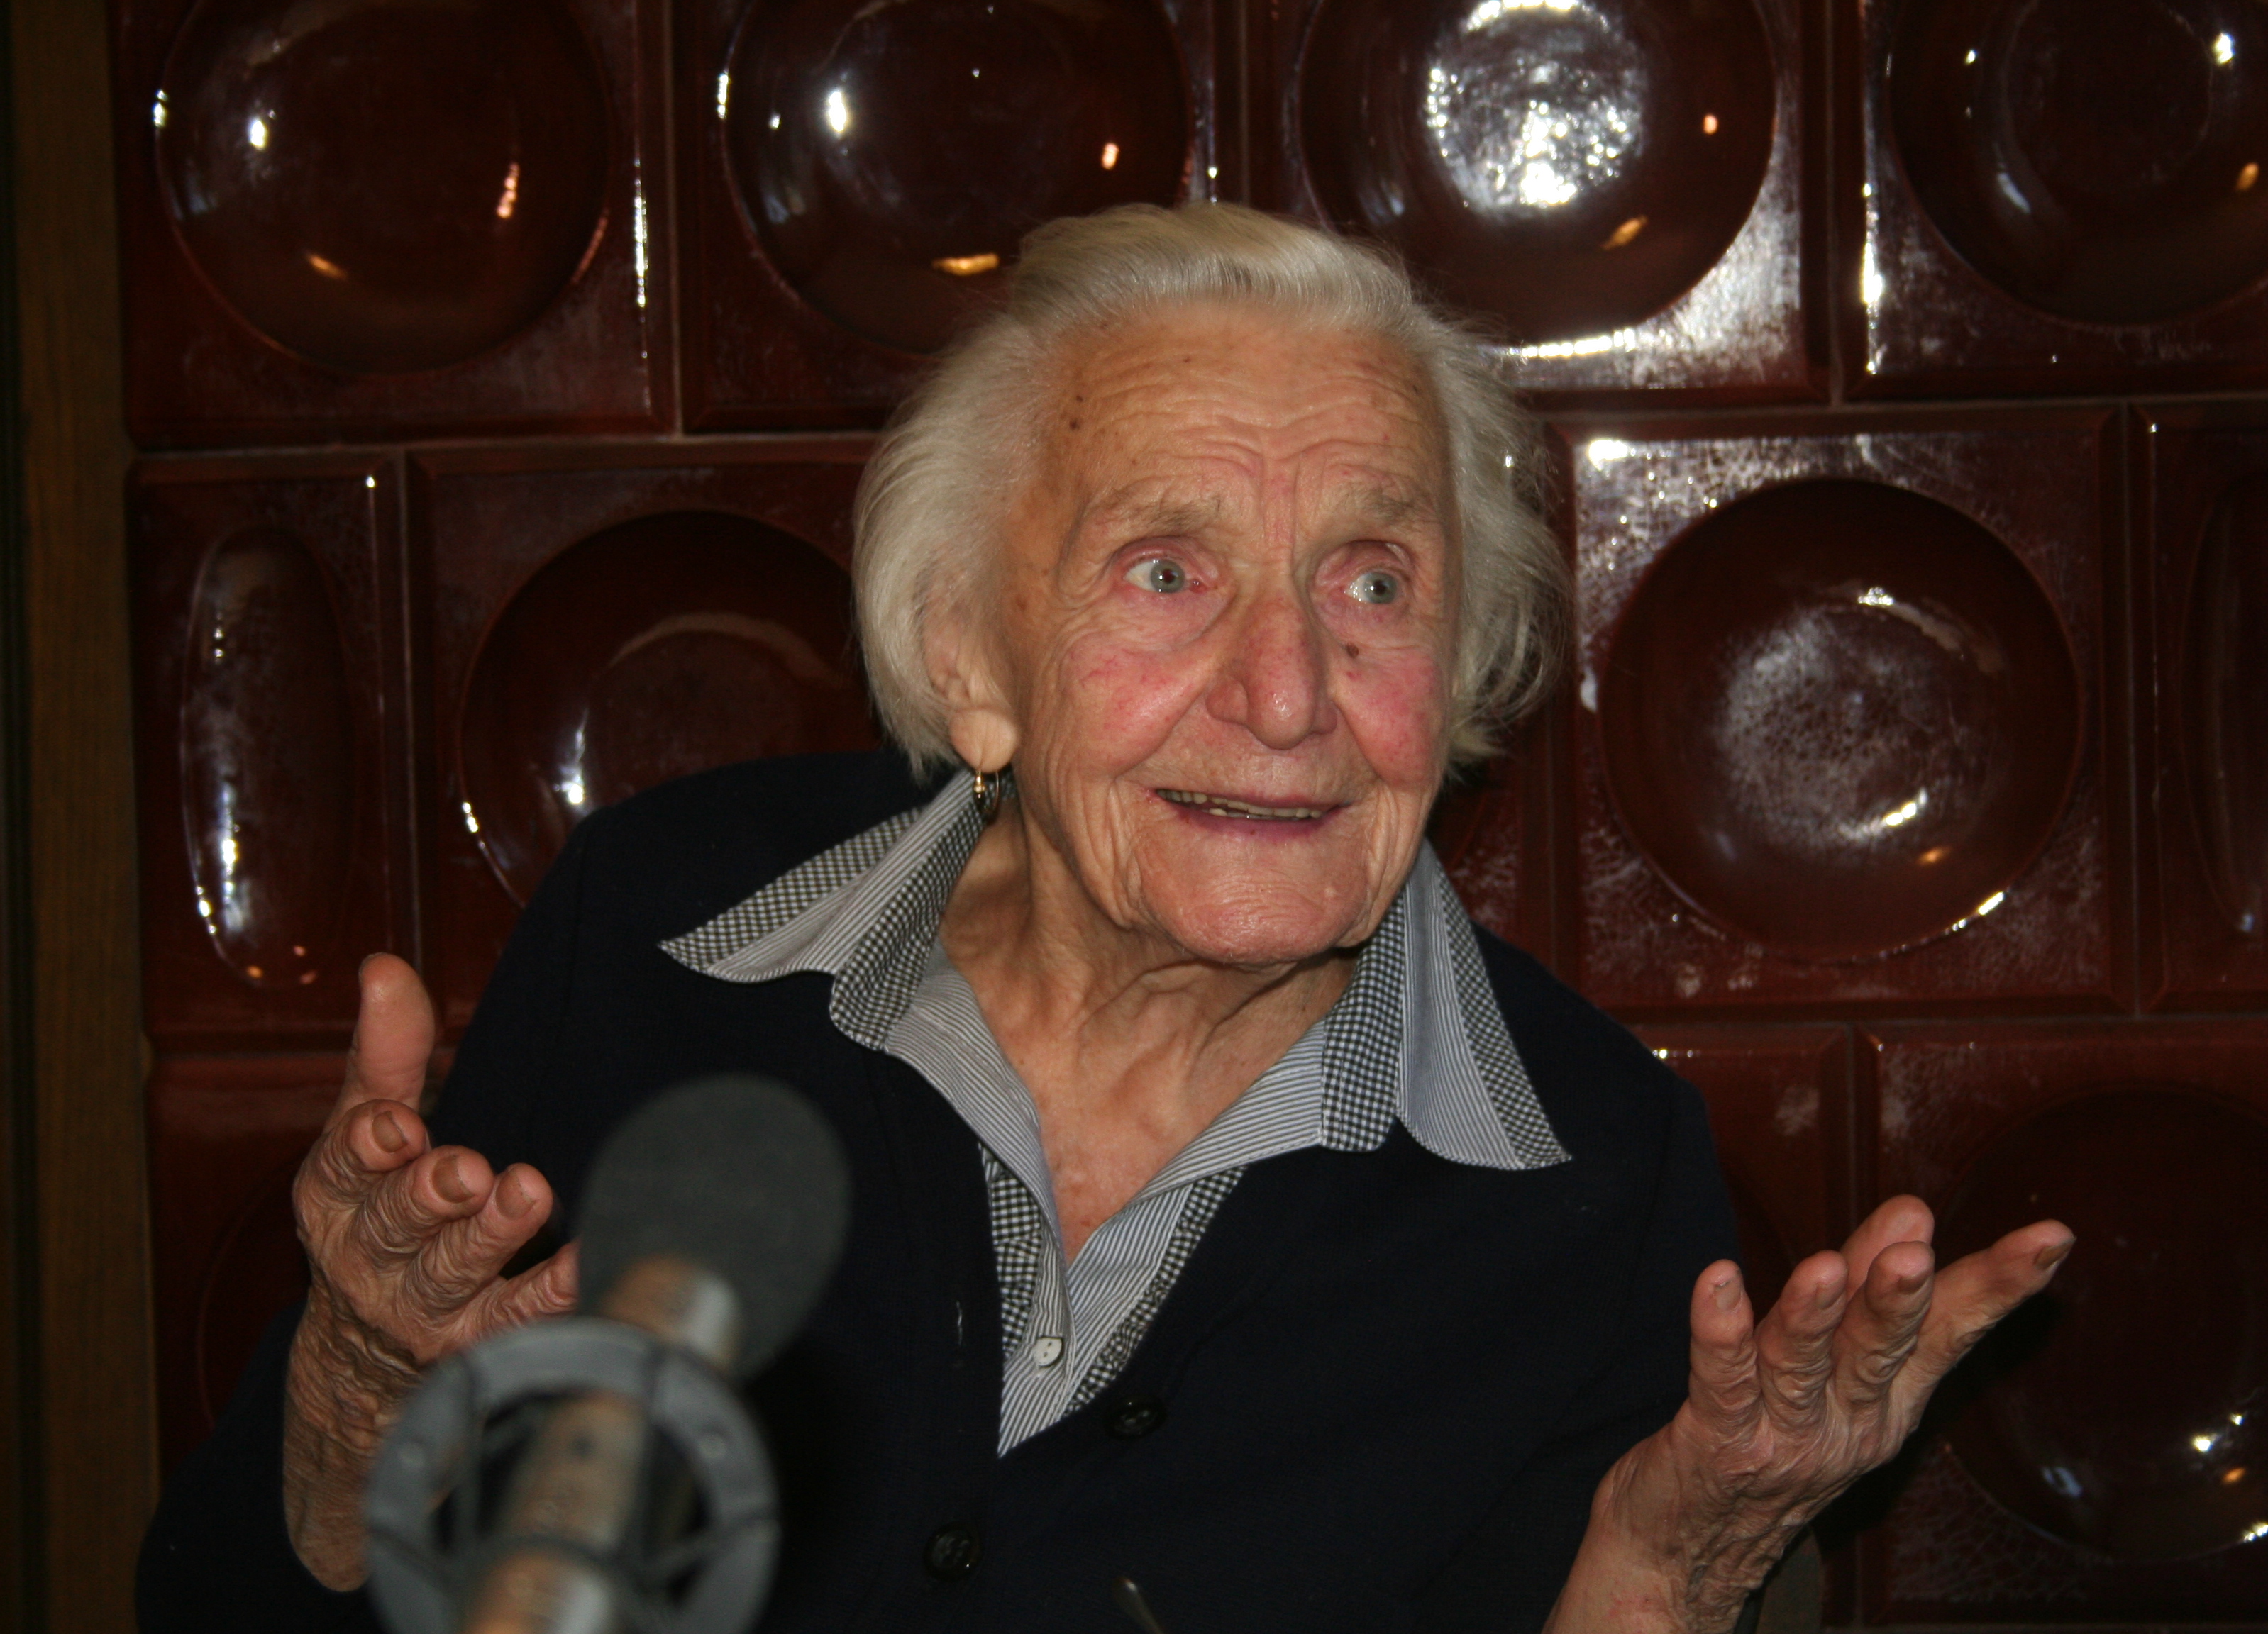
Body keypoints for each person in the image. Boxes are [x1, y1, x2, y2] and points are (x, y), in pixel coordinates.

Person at [137, 203, 2070, 1633]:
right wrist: (358, 1400)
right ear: (967, 660)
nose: (1291, 696)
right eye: (1166, 572)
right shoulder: (665, 941)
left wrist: (1674, 1563)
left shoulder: (1590, 1174)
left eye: (1375, 585)